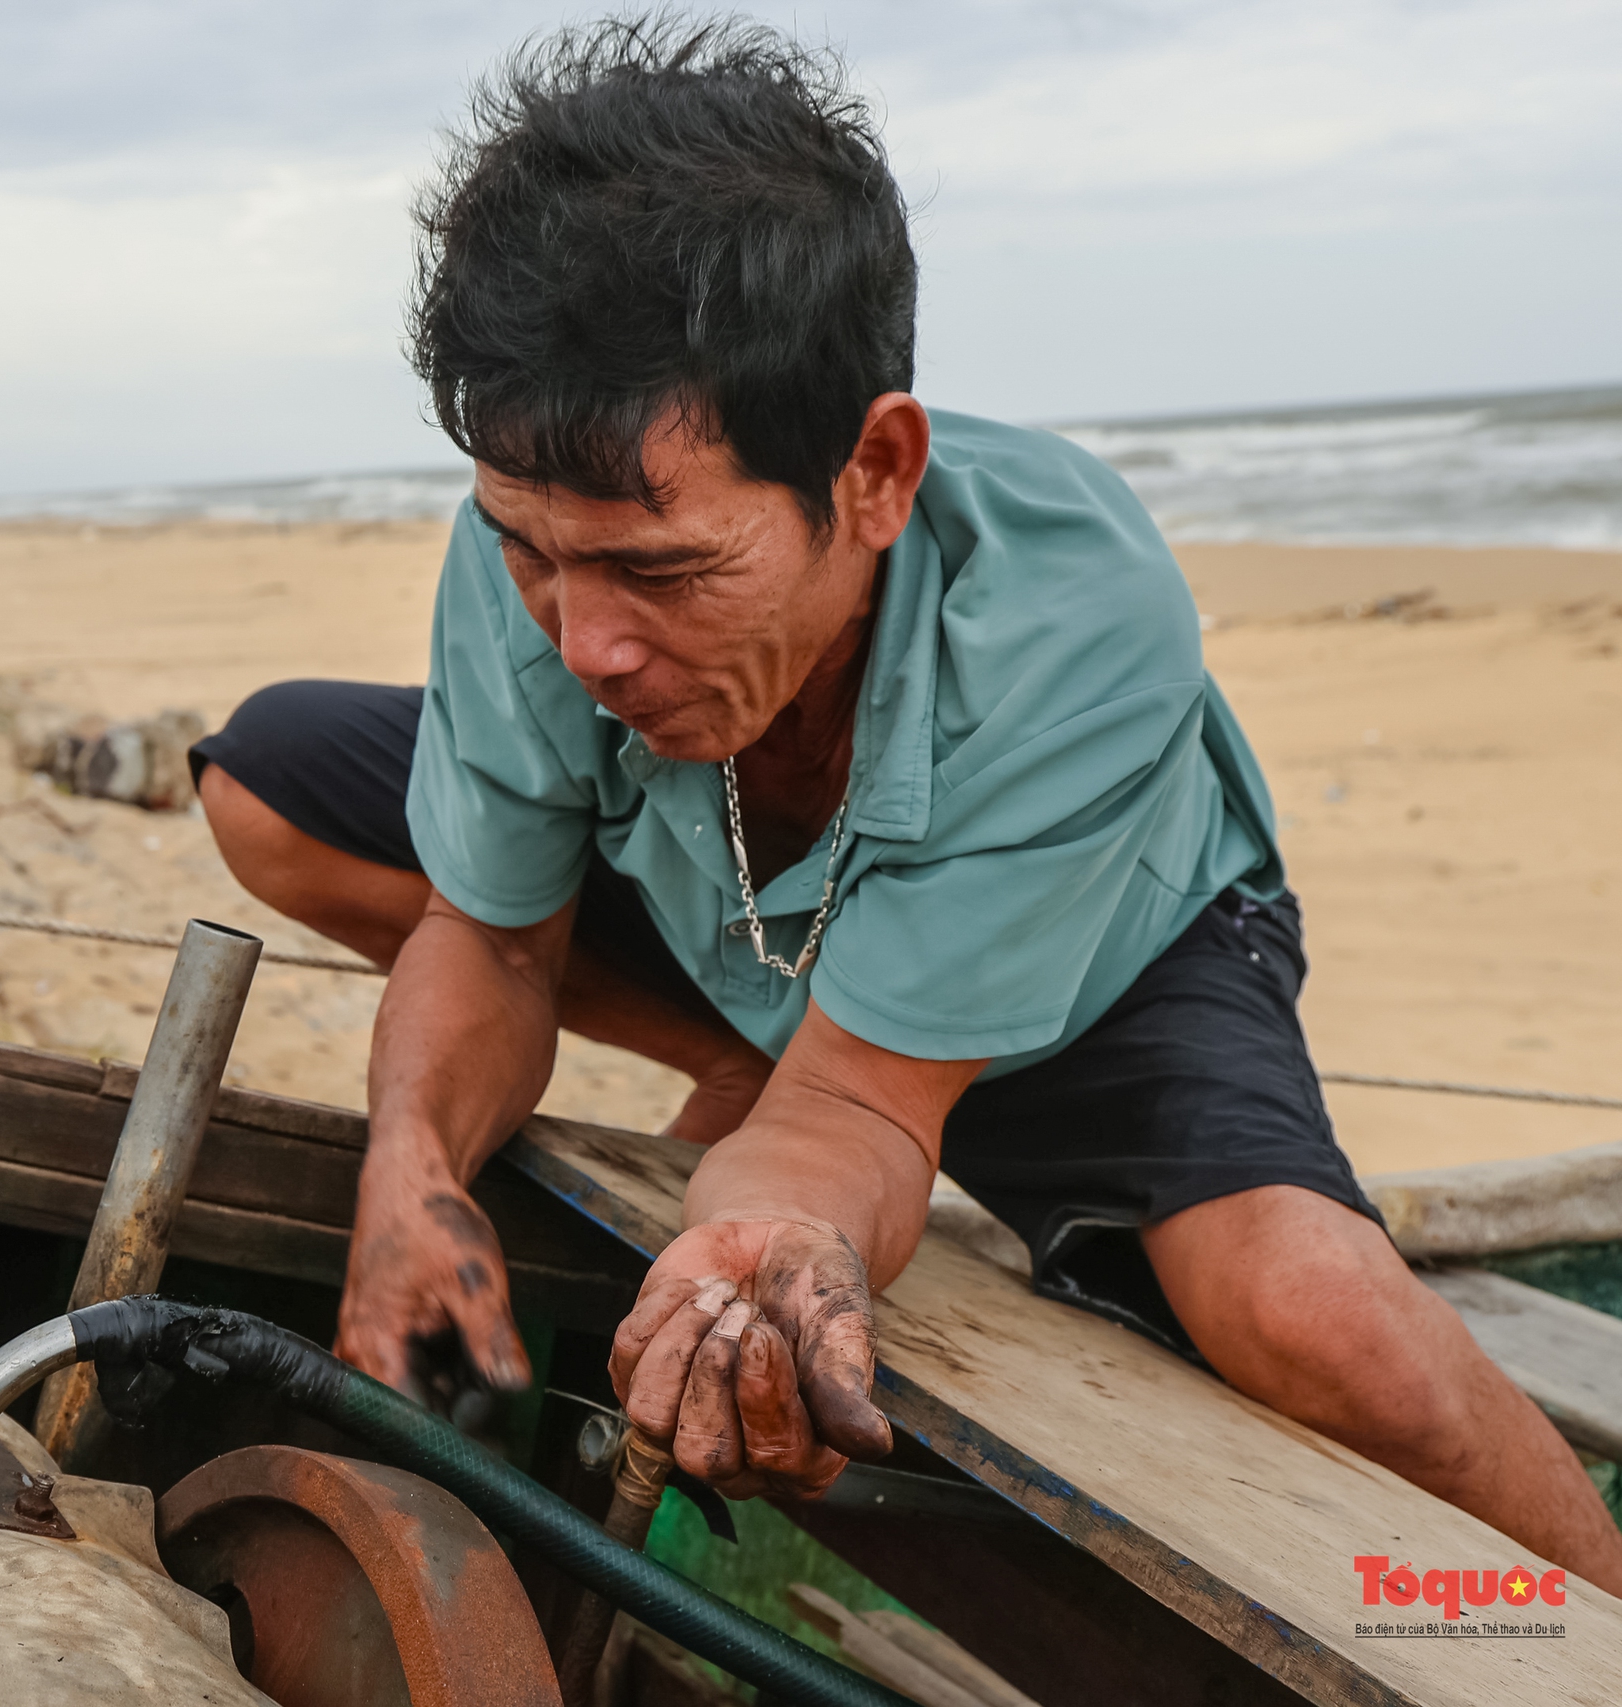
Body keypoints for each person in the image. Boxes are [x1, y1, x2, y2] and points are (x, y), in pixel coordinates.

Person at [189, 17, 1622, 1584]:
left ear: (875, 473)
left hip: (1098, 971)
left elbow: (862, 1109)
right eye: (530, 548)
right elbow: (497, 941)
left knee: (1327, 1326)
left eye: (660, 572)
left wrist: (779, 1237)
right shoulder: (554, 528)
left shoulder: (1076, 614)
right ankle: (749, 1045)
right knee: (270, 781)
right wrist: (412, 1167)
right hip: (734, 919)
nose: (582, 640)